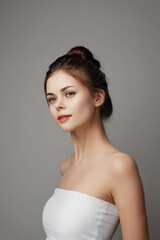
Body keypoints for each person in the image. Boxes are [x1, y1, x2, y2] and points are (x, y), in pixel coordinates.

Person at [42, 46, 150, 240]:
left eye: (69, 93)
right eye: (51, 98)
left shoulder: (120, 166)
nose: (58, 104)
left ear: (97, 97)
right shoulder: (67, 166)